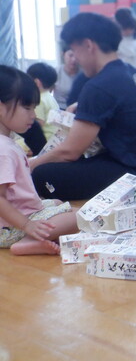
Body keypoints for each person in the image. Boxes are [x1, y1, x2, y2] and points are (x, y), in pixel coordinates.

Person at [30, 12, 136, 200]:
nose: (76, 59)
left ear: (88, 45)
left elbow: (70, 151)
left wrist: (30, 166)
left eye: (75, 51)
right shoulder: (132, 73)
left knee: (42, 174)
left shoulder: (98, 85)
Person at [0, 66, 77, 255]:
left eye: (34, 108)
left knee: (57, 202)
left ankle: (33, 236)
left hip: (15, 218)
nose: (33, 115)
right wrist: (27, 225)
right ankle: (27, 241)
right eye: (27, 108)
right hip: (10, 227)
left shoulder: (7, 143)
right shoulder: (4, 150)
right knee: (80, 216)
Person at [26, 62, 60, 139]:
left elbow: (39, 123)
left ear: (36, 82)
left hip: (45, 138)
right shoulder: (50, 97)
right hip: (54, 137)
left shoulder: (38, 99)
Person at [115, 7, 136, 71]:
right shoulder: (116, 43)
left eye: (131, 27)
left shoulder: (135, 43)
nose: (129, 30)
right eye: (125, 27)